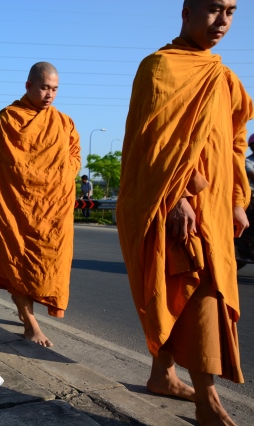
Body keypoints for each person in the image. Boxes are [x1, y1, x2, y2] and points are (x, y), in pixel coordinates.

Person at [116, 1, 253, 424]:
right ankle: (207, 401)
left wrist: (235, 199)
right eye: (214, 10)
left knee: (185, 291)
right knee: (197, 293)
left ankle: (162, 375)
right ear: (187, 12)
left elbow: (234, 142)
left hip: (212, 207)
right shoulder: (159, 67)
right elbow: (151, 141)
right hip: (174, 205)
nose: (223, 21)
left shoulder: (223, 77)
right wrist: (175, 198)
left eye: (231, 11)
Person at [0, 62, 81, 347]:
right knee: (14, 259)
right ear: (28, 86)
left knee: (44, 263)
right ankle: (29, 322)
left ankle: (25, 314)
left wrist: (62, 174)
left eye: (54, 89)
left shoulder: (64, 122)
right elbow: (3, 166)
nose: (49, 94)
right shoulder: (9, 118)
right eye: (44, 88)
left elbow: (74, 156)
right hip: (14, 206)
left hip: (49, 209)